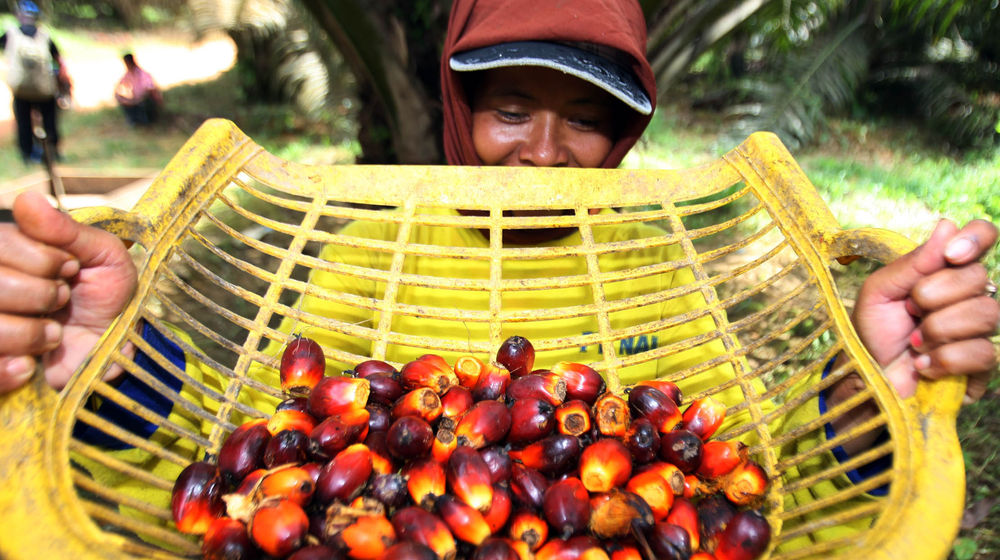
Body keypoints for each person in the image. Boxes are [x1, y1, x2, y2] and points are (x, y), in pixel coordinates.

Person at [0, 0, 996, 550]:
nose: (546, 154)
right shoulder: (357, 270)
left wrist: (870, 391)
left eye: (589, 117)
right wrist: (105, 366)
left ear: (629, 130)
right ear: (453, 107)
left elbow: (765, 498)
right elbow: (239, 472)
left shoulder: (669, 278)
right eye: (509, 108)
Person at [1, 0, 64, 163]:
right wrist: (61, 82)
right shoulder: (44, 35)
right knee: (50, 121)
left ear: (19, 15)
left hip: (21, 89)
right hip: (45, 89)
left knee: (23, 123)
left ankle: (27, 154)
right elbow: (58, 61)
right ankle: (53, 151)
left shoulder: (10, 34)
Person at [113, 52, 162, 126]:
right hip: (136, 100)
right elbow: (119, 86)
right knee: (126, 102)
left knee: (142, 103)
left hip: (146, 100)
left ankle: (147, 121)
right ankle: (135, 121)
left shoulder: (143, 74)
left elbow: (150, 90)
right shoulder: (128, 75)